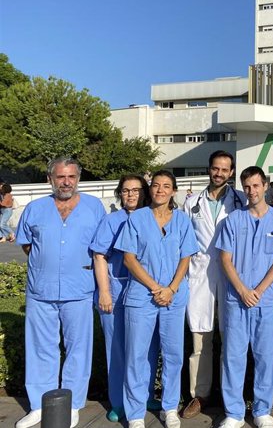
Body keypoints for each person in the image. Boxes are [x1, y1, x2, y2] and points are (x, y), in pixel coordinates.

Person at [15, 157, 106, 428]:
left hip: (79, 289)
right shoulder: (34, 209)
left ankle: (73, 403)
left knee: (78, 349)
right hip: (40, 291)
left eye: (71, 177)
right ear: (50, 179)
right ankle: (39, 405)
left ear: (78, 179)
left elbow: (100, 248)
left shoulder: (94, 207)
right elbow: (27, 245)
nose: (66, 182)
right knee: (41, 348)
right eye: (60, 177)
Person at [115, 170, 198, 428]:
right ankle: (136, 413)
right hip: (142, 296)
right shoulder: (137, 218)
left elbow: (186, 257)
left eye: (166, 186)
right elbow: (129, 258)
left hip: (173, 297)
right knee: (137, 356)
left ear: (174, 191)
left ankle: (170, 407)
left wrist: (171, 289)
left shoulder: (182, 221)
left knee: (174, 354)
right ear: (150, 189)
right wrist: (155, 287)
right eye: (156, 185)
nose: (160, 190)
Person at [216, 166, 273, 428]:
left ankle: (262, 411)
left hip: (265, 300)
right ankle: (234, 413)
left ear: (265, 186)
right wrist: (243, 290)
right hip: (237, 299)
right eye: (246, 186)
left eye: (256, 186)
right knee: (233, 356)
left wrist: (258, 290)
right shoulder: (233, 220)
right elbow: (225, 258)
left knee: (266, 356)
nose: (251, 191)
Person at [181, 151, 246, 418]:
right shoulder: (191, 202)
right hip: (200, 275)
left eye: (224, 170)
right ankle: (200, 395)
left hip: (231, 275)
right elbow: (184, 240)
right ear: (209, 169)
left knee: (232, 337)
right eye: (215, 168)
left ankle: (232, 395)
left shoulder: (241, 201)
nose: (219, 173)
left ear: (231, 172)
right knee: (200, 339)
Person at [91, 174, 161, 422]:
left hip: (146, 293)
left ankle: (144, 396)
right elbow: (99, 256)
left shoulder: (153, 218)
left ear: (145, 192)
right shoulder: (112, 221)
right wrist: (105, 292)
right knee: (118, 349)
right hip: (117, 292)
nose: (131, 195)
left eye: (136, 190)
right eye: (125, 190)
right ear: (119, 194)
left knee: (147, 348)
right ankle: (119, 401)